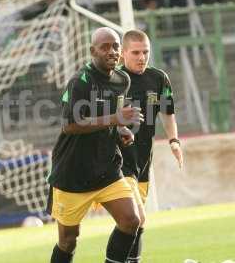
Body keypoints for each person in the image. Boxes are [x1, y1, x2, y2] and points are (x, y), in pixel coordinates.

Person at [47, 27, 144, 263]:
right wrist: (115, 120)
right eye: (105, 47)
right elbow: (70, 125)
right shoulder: (80, 82)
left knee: (132, 220)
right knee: (69, 240)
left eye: (115, 46)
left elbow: (109, 115)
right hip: (72, 173)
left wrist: (120, 129)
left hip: (107, 168)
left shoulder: (123, 80)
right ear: (92, 51)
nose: (112, 51)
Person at [120, 29, 184, 262]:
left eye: (145, 52)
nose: (141, 57)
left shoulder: (158, 78)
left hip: (143, 162)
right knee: (137, 218)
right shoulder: (113, 80)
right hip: (117, 162)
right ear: (123, 53)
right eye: (135, 52)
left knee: (133, 223)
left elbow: (168, 113)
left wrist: (174, 141)